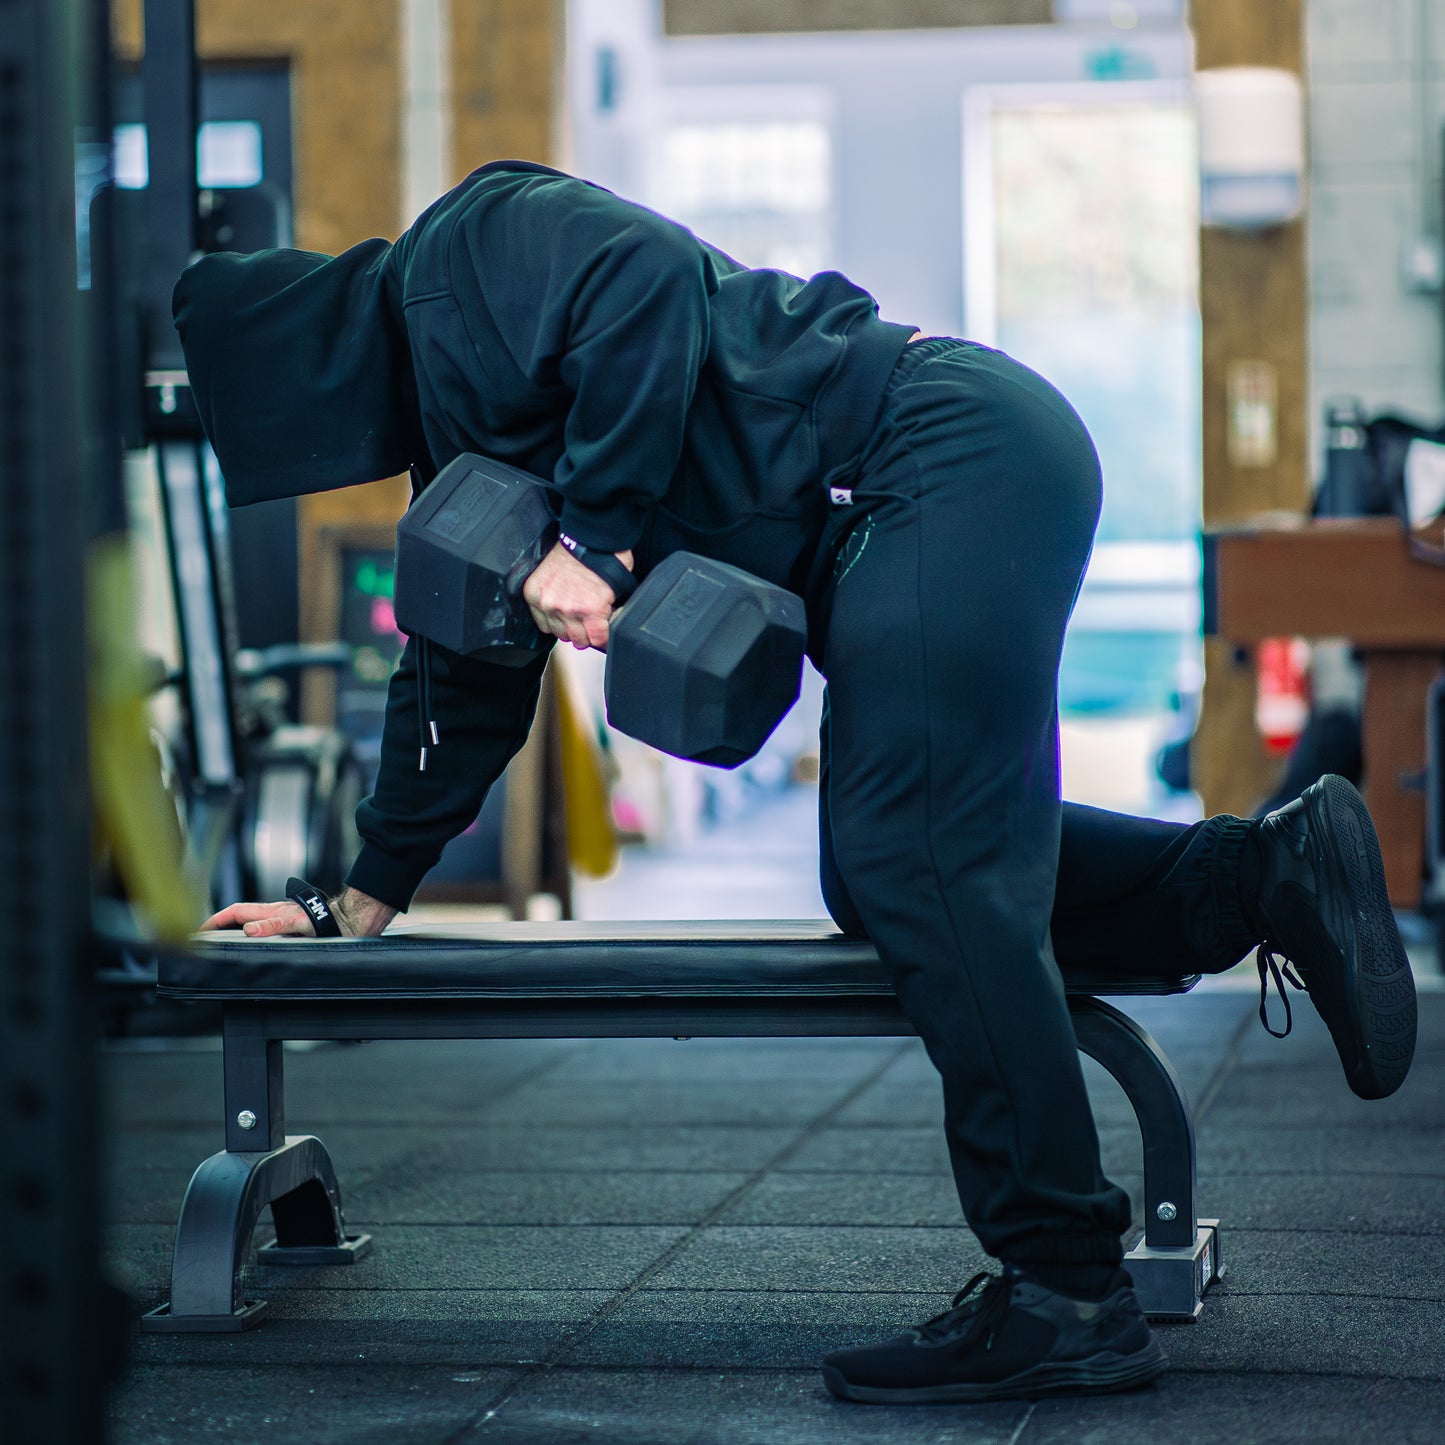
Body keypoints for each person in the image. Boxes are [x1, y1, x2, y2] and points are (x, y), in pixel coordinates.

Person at [176, 160, 1417, 1406]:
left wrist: (595, 534)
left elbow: (644, 279)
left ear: (304, 365)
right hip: (918, 499)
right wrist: (357, 898)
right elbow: (463, 674)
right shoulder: (454, 443)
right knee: (883, 874)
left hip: (945, 450)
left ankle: (1065, 1289)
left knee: (915, 859)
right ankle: (1256, 875)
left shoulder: (467, 243)